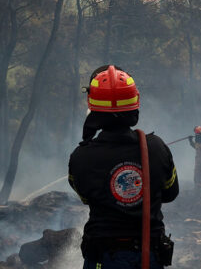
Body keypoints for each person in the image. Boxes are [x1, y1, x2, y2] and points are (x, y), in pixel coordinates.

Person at [69, 65, 179, 269]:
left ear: (93, 109)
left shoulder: (81, 157)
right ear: (134, 105)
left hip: (103, 258)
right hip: (148, 255)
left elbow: (86, 198)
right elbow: (170, 193)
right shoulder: (156, 148)